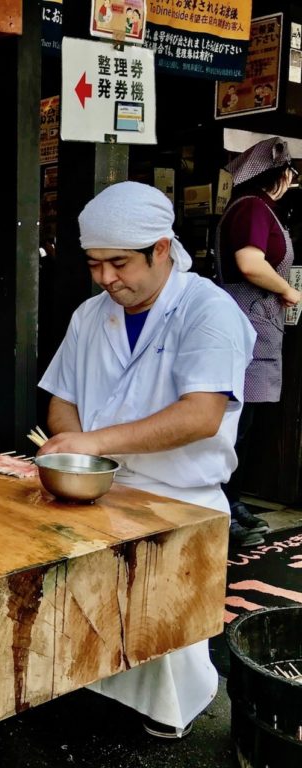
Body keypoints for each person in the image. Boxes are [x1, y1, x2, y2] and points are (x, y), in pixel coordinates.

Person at [38, 181, 255, 739]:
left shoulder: (208, 310)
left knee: (164, 630)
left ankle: (174, 710)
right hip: (101, 487)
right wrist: (72, 448)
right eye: (95, 264)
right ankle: (91, 687)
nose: (107, 278)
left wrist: (95, 445)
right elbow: (61, 398)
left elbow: (201, 415)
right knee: (90, 615)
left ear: (162, 249)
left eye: (119, 263)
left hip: (179, 496)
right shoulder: (90, 316)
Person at [215, 136, 302, 546]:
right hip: (246, 323)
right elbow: (249, 263)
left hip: (253, 323)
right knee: (235, 423)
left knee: (241, 423)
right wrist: (288, 289)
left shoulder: (257, 208)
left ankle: (231, 503)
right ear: (281, 175)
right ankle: (222, 510)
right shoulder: (253, 207)